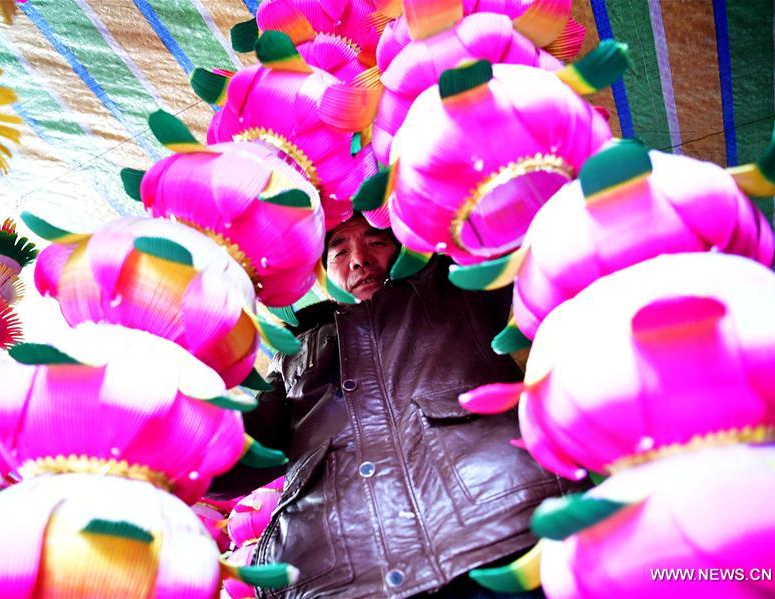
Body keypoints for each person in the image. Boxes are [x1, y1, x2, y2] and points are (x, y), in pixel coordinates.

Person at [213, 213, 575, 598]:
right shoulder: (294, 348)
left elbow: (495, 224)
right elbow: (228, 464)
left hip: (497, 530)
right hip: (334, 579)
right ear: (325, 270)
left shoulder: (449, 284)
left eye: (376, 241)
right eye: (339, 250)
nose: (358, 259)